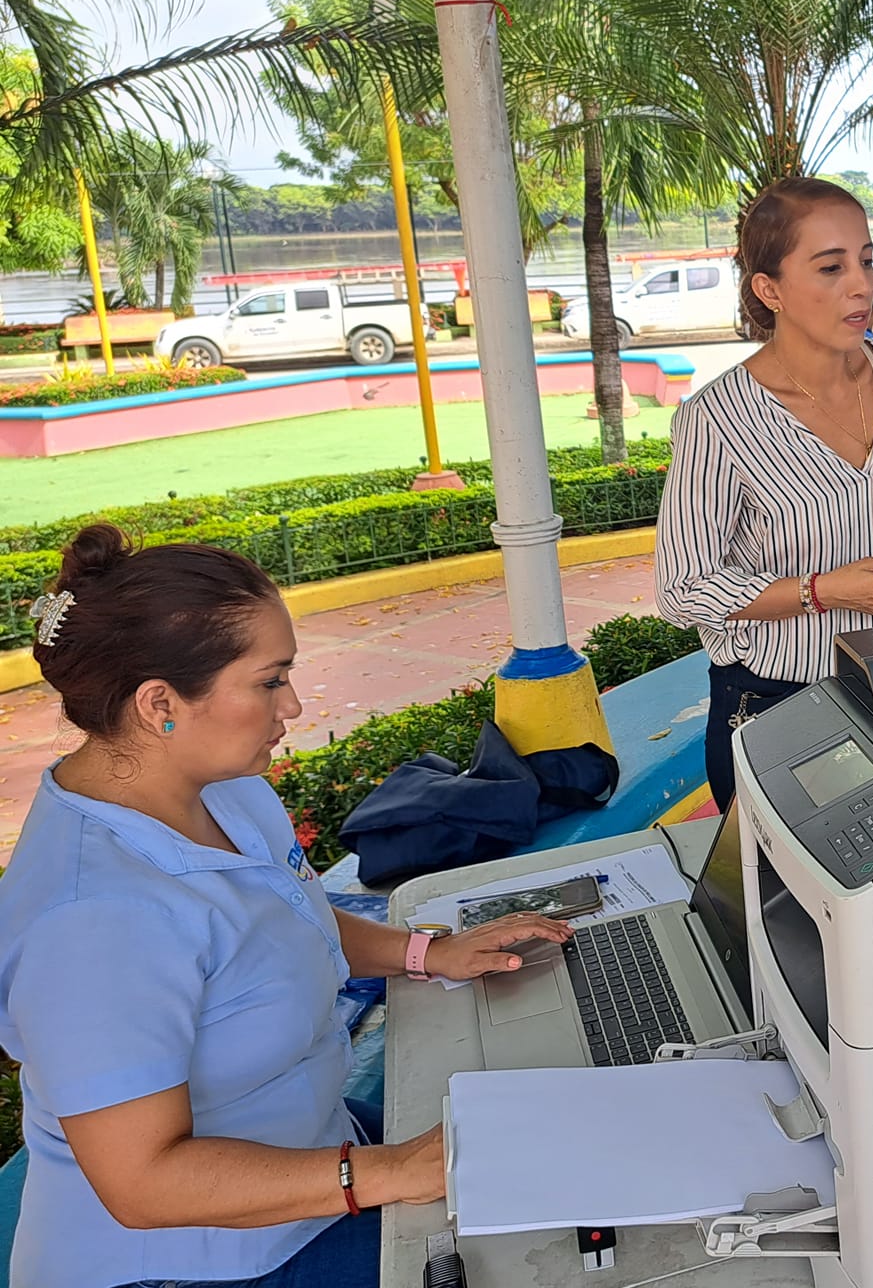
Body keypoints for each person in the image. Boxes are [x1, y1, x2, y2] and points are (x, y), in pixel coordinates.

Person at [0, 526, 572, 1288]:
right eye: (270, 682)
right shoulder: (91, 919)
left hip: (315, 1155)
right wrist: (385, 1173)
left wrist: (425, 953)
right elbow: (142, 1182)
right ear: (160, 702)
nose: (294, 705)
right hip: (201, 1264)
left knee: (547, 1145)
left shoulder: (223, 790)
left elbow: (285, 920)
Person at [657, 177, 873, 811]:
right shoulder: (717, 418)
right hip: (782, 702)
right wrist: (822, 591)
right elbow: (683, 589)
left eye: (866, 261)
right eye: (831, 268)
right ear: (769, 289)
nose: (861, 286)